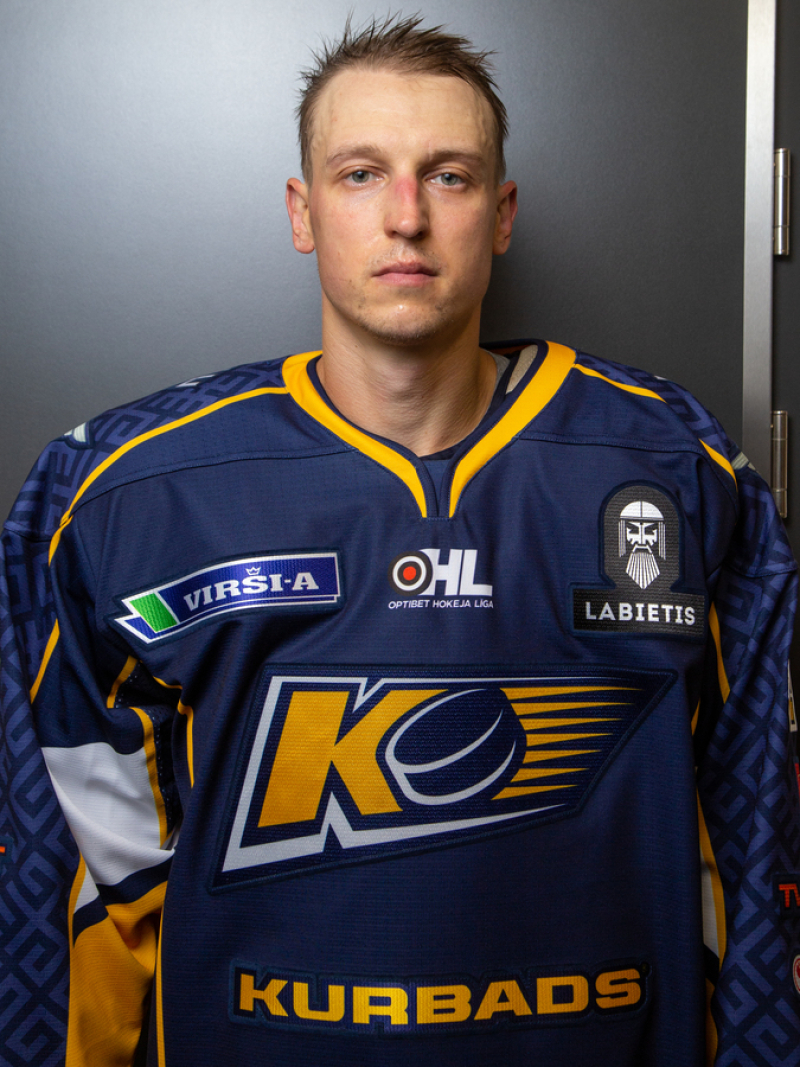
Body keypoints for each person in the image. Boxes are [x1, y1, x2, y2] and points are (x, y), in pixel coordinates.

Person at [1, 14, 798, 1066]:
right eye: (361, 173)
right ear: (303, 212)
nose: (406, 217)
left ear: (501, 215)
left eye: (449, 176)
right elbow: (71, 876)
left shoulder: (673, 468)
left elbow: (757, 836)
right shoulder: (129, 491)